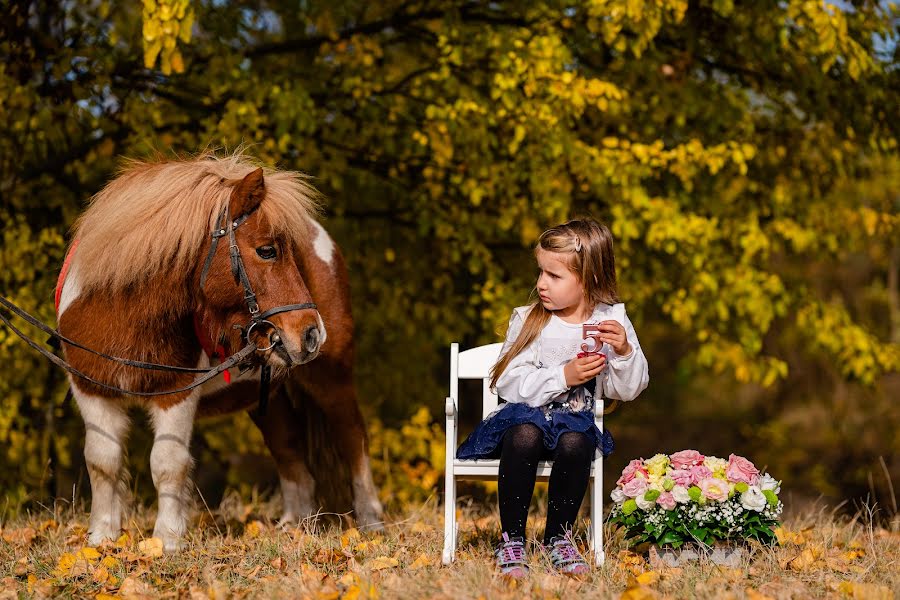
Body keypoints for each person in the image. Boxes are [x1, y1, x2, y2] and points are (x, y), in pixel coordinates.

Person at [456, 218, 649, 577]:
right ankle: (512, 538)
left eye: (554, 276)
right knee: (524, 433)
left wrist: (623, 351)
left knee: (578, 441)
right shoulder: (531, 319)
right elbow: (508, 382)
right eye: (541, 272)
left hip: (572, 426)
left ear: (589, 278)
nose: (541, 284)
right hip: (523, 424)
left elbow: (629, 389)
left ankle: (558, 538)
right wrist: (564, 375)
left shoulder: (611, 320)